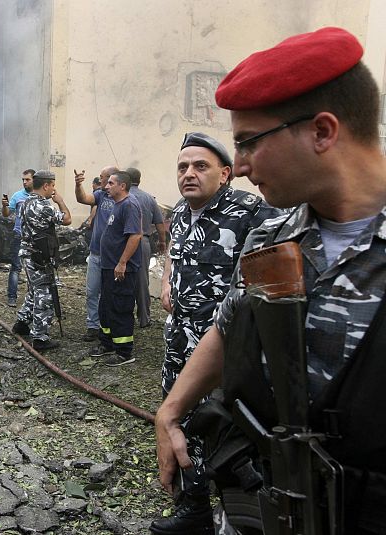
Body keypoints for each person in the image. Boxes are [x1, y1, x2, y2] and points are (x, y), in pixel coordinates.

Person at [155, 27, 386, 534]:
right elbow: (233, 320)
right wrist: (171, 410)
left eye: (247, 143)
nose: (238, 166)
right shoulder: (274, 235)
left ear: (322, 132)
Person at [150, 133, 280, 535]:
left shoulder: (250, 213)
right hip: (180, 340)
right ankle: (195, 507)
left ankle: (240, 515)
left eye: (200, 166)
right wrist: (170, 281)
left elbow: (268, 285)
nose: (189, 174)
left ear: (225, 174)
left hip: (225, 349)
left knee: (226, 427)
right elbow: (175, 252)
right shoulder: (183, 214)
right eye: (183, 167)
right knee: (185, 420)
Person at [85, 171, 142, 366]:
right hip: (108, 266)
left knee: (120, 307)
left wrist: (122, 262)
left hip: (121, 269)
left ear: (122, 186)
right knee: (106, 306)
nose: (106, 186)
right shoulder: (117, 205)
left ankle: (124, 352)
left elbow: (135, 236)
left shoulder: (130, 205)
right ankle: (107, 343)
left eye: (110, 183)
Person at [11, 170, 71, 351]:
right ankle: (40, 337)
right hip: (39, 256)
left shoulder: (26, 201)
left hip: (28, 253)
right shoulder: (44, 206)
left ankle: (22, 323)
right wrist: (60, 201)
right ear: (46, 185)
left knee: (34, 290)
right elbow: (67, 219)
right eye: (53, 185)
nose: (54, 188)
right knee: (44, 295)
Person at [74, 166, 120, 341]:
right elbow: (83, 198)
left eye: (103, 178)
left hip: (113, 256)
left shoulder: (125, 200)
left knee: (110, 293)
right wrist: (78, 185)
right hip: (95, 254)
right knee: (92, 291)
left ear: (112, 179)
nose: (100, 181)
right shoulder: (101, 196)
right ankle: (93, 325)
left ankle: (109, 326)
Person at [126, 167, 167, 329]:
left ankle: (125, 316)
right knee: (142, 280)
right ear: (140, 180)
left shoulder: (122, 196)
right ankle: (144, 318)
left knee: (121, 278)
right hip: (143, 242)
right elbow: (159, 224)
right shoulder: (149, 198)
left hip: (124, 242)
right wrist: (162, 242)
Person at [2, 169, 35, 307]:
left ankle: (32, 299)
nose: (24, 182)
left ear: (35, 180)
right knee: (16, 267)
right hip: (19, 235)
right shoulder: (18, 195)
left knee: (33, 268)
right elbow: (6, 214)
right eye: (23, 179)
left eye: (27, 179)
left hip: (34, 238)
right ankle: (11, 297)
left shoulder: (39, 196)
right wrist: (4, 206)